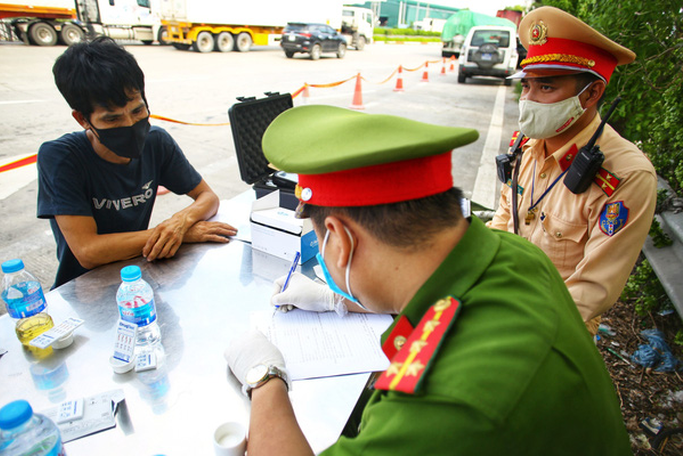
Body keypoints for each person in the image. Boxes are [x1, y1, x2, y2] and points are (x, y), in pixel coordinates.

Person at [224, 105, 632, 455]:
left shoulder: (446, 404)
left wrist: (266, 379)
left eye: (319, 239)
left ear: (342, 239)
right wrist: (338, 300)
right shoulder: (515, 256)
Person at [487, 7, 657, 334]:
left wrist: (513, 325)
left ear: (592, 93)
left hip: (556, 330)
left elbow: (592, 289)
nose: (530, 100)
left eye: (546, 88)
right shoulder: (527, 146)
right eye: (526, 87)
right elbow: (503, 223)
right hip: (501, 304)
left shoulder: (626, 175)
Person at [37, 37, 236, 288]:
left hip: (138, 274)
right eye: (112, 119)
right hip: (85, 287)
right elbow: (88, 251)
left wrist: (180, 222)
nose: (130, 125)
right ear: (82, 119)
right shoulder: (61, 158)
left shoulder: (156, 142)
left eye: (138, 111)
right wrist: (181, 235)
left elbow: (208, 197)